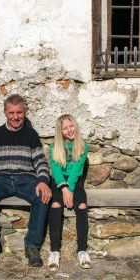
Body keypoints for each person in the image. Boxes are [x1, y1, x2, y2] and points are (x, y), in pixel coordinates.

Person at [0, 94, 51, 267]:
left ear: (24, 112)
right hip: (1, 179)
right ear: (5, 113)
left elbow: (41, 162)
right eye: (11, 113)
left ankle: (32, 246)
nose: (16, 117)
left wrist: (42, 181)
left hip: (26, 179)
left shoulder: (31, 135)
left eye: (19, 112)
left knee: (42, 196)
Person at [47, 114, 91, 271]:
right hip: (58, 182)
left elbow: (76, 171)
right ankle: (55, 251)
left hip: (75, 181)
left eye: (71, 126)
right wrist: (64, 190)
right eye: (65, 128)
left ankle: (82, 250)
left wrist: (70, 190)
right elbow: (57, 171)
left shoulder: (83, 146)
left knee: (82, 206)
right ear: (60, 131)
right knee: (56, 205)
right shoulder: (54, 147)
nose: (69, 130)